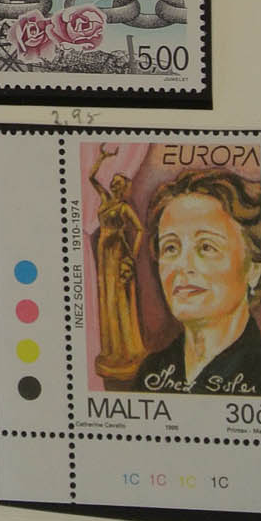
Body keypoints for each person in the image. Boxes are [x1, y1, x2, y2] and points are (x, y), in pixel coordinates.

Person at [133, 168, 261, 395]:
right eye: (171, 248)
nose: (183, 265)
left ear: (253, 268)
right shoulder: (151, 373)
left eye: (206, 247)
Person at [88, 145, 147, 383]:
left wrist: (131, 255)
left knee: (119, 298)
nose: (114, 187)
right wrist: (102, 158)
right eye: (114, 184)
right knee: (108, 298)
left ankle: (127, 350)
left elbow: (140, 229)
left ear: (123, 189)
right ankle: (111, 350)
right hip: (104, 253)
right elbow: (91, 178)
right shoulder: (105, 199)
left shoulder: (124, 208)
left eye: (119, 185)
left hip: (117, 252)